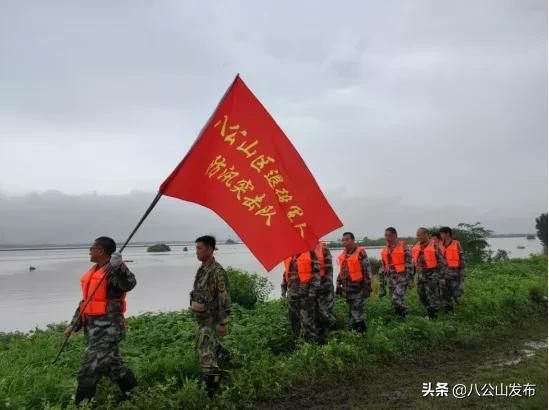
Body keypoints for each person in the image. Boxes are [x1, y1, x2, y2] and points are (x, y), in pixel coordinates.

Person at [65, 236, 137, 405]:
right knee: (115, 367)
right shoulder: (94, 272)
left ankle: (80, 406)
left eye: (92, 248)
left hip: (108, 330)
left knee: (88, 371)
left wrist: (119, 266)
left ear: (102, 251)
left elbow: (129, 284)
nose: (89, 251)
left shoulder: (114, 270)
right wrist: (73, 324)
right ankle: (136, 397)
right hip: (93, 331)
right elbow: (86, 303)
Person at [190, 235, 231, 397]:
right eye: (196, 248)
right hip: (202, 320)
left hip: (211, 321)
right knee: (211, 349)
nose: (197, 252)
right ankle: (227, 360)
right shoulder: (202, 269)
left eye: (200, 248)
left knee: (206, 356)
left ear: (210, 249)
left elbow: (224, 298)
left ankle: (212, 394)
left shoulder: (217, 272)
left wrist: (222, 322)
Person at [282, 249, 321, 342]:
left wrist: (312, 293)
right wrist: (283, 290)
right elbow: (285, 274)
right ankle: (299, 345)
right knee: (294, 323)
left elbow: (316, 275)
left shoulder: (311, 254)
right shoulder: (289, 254)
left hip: (305, 296)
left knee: (308, 324)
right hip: (292, 295)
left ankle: (312, 346)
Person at [335, 232, 371, 332]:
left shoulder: (360, 252)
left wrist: (367, 288)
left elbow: (367, 271)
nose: (344, 242)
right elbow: (342, 271)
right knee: (351, 313)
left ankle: (362, 335)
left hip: (358, 289)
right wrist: (338, 282)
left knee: (357, 313)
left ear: (353, 240)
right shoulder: (344, 254)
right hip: (347, 289)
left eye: (347, 239)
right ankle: (355, 334)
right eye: (343, 240)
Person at [378, 227, 414, 317]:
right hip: (390, 278)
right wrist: (381, 283)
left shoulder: (404, 248)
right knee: (395, 300)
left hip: (402, 277)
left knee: (396, 299)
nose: (386, 237)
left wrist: (410, 279)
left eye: (388, 235)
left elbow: (410, 265)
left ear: (394, 235)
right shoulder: (385, 250)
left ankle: (406, 313)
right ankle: (401, 318)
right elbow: (383, 266)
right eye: (385, 235)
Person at [411, 228, 447, 318]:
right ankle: (429, 310)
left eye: (419, 235)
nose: (418, 237)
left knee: (432, 296)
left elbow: (442, 262)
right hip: (420, 276)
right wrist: (412, 276)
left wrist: (441, 277)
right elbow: (413, 262)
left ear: (426, 235)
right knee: (421, 296)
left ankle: (434, 315)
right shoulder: (416, 246)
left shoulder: (434, 246)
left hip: (432, 275)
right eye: (417, 235)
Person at [439, 226, 467, 310]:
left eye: (442, 234)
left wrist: (463, 272)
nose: (441, 235)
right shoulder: (440, 245)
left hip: (455, 273)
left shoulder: (456, 244)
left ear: (447, 234)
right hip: (444, 274)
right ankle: (448, 310)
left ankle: (458, 306)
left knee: (456, 292)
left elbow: (462, 259)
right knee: (444, 293)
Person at [314, 241, 336, 334]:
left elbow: (329, 270)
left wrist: (324, 286)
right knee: (315, 314)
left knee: (325, 313)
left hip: (325, 287)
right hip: (311, 289)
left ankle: (333, 334)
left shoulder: (324, 249)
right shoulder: (304, 251)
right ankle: (321, 336)